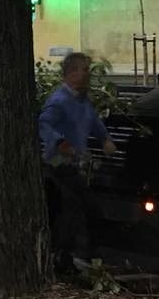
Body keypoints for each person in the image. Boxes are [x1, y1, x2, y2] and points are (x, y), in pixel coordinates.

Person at [38, 52, 117, 274]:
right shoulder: (59, 101)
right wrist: (59, 142)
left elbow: (94, 121)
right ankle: (66, 256)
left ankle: (76, 255)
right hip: (57, 165)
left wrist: (105, 139)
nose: (86, 74)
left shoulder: (82, 101)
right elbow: (43, 124)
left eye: (87, 70)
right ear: (70, 73)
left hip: (74, 165)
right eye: (82, 70)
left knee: (83, 207)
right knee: (72, 207)